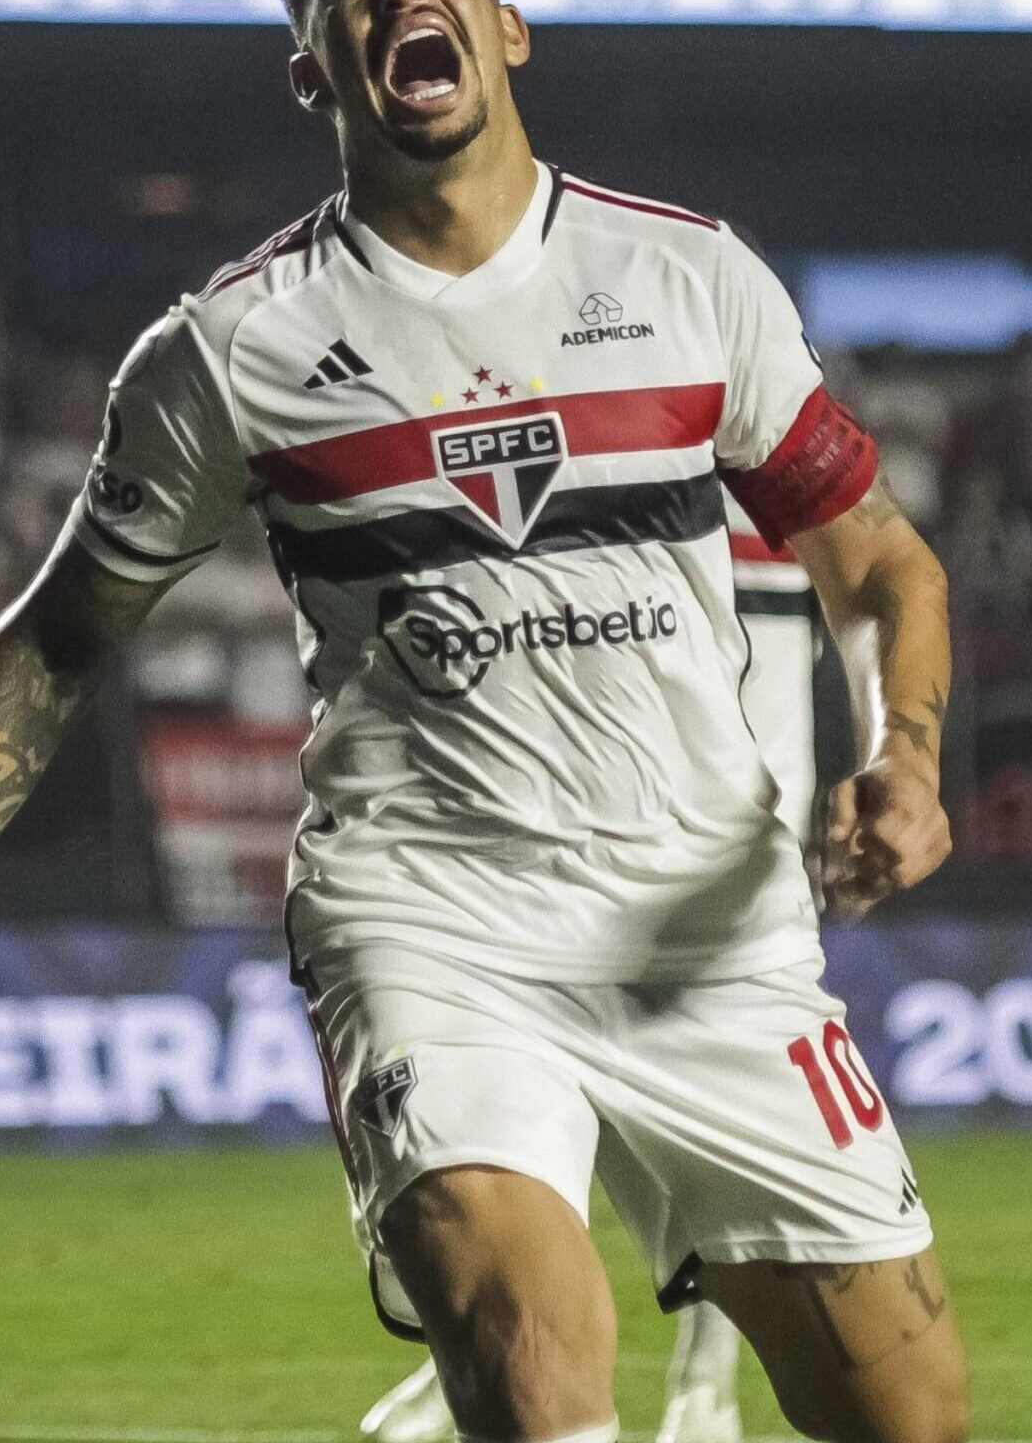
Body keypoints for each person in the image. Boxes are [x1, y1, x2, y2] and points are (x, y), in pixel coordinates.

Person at [0, 0, 966, 1443]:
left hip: (716, 933)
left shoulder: (689, 278)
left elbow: (880, 559)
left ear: (506, 24)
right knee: (534, 1362)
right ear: (313, 66)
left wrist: (906, 750)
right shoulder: (235, 348)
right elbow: (54, 647)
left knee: (912, 1422)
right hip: (436, 929)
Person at [362, 497, 821, 1443]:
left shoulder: (715, 445)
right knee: (527, 1105)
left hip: (706, 846)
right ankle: (484, 1353)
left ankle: (703, 1382)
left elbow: (761, 681)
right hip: (591, 832)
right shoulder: (617, 430)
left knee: (690, 1134)